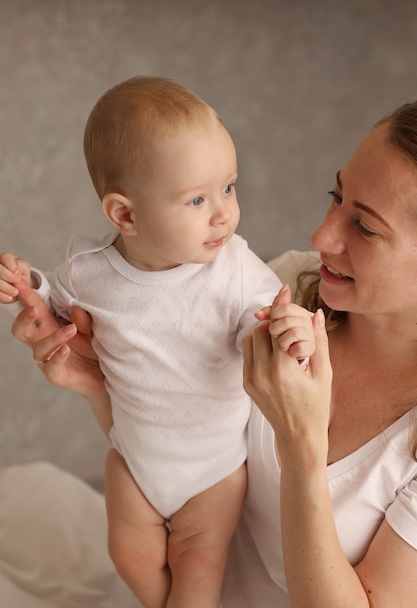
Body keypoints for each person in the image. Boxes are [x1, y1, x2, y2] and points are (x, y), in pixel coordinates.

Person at [8, 95, 417, 608]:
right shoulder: (290, 286)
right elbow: (175, 427)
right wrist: (96, 383)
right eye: (335, 196)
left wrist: (301, 449)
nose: (321, 236)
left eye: (365, 226)